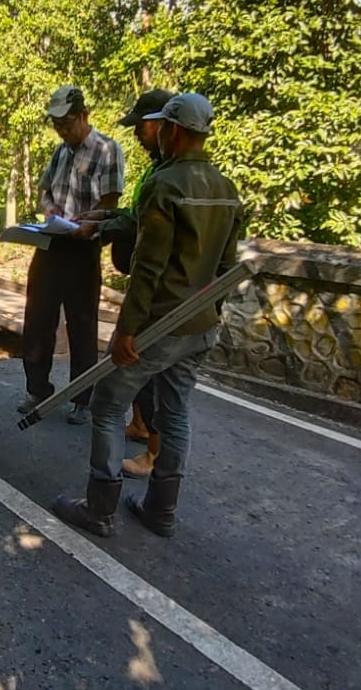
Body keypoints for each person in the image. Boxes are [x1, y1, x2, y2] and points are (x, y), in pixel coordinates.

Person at [54, 92, 242, 539]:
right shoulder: (225, 187)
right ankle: (160, 510)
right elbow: (227, 269)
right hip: (200, 326)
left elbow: (148, 268)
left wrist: (127, 330)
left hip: (160, 323)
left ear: (173, 131)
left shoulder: (164, 184)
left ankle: (100, 508)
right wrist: (209, 315)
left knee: (108, 403)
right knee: (174, 411)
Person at [75, 87, 172, 476]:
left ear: (161, 125)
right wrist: (103, 221)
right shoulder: (157, 167)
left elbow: (149, 247)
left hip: (156, 293)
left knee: (141, 375)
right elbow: (133, 216)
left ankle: (151, 455)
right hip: (146, 280)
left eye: (142, 127)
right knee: (148, 377)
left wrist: (103, 223)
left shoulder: (170, 176)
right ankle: (141, 425)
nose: (136, 134)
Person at [19, 86, 124, 425]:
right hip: (51, 243)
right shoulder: (60, 152)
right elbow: (45, 192)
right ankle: (37, 388)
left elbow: (110, 202)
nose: (62, 131)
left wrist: (86, 224)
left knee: (81, 324)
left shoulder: (107, 149)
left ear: (83, 116)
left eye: (66, 123)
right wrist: (50, 212)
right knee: (37, 319)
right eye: (56, 125)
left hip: (83, 246)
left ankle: (82, 398)